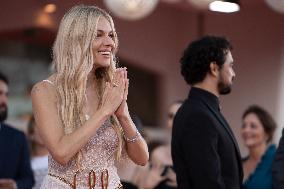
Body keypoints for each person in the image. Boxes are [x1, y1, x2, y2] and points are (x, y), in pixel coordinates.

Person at [31, 5, 149, 189]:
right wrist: (104, 111)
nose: (109, 42)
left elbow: (142, 158)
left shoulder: (110, 88)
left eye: (111, 35)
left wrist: (123, 115)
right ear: (76, 40)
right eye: (98, 35)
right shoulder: (45, 91)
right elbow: (61, 153)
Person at [171, 36, 243, 189]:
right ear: (214, 68)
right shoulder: (197, 116)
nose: (233, 73)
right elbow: (208, 182)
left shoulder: (204, 111)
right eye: (230, 66)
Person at [0, 71, 35, 189]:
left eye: (6, 94)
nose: (4, 100)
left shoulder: (17, 137)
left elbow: (29, 179)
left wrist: (14, 185)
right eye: (0, 93)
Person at [141, 101, 182, 189]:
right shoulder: (158, 154)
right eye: (171, 116)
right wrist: (148, 186)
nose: (174, 120)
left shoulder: (198, 155)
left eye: (179, 115)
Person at [241, 105, 276, 189]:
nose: (246, 130)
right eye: (244, 126)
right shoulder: (238, 163)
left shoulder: (277, 161)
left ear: (267, 133)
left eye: (253, 126)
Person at [27, 115, 49, 189]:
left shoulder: (59, 159)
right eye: (39, 127)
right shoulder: (25, 162)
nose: (44, 132)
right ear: (31, 134)